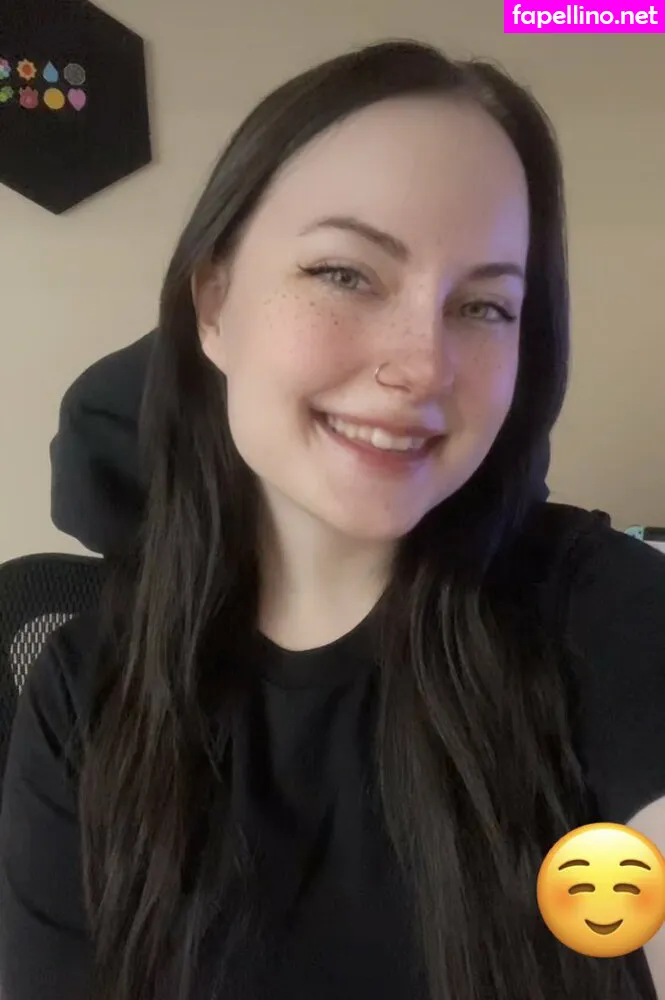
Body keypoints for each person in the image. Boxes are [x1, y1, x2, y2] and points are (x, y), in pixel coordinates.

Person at [1, 38, 664, 1000]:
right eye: (346, 274)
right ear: (213, 303)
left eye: (484, 306)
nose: (423, 365)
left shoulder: (605, 615)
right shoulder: (86, 690)